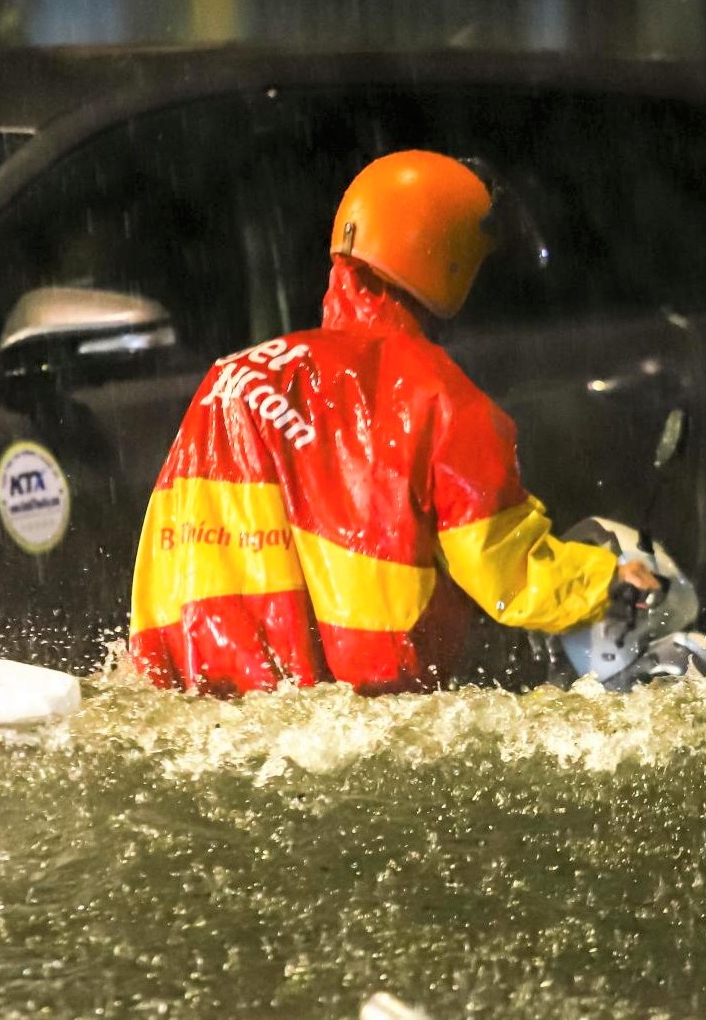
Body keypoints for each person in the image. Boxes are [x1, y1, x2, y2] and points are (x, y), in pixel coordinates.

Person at [127, 151, 660, 696]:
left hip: (190, 709)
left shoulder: (228, 377)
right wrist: (608, 584)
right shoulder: (436, 394)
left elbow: (167, 563)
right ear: (446, 261)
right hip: (351, 724)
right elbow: (505, 570)